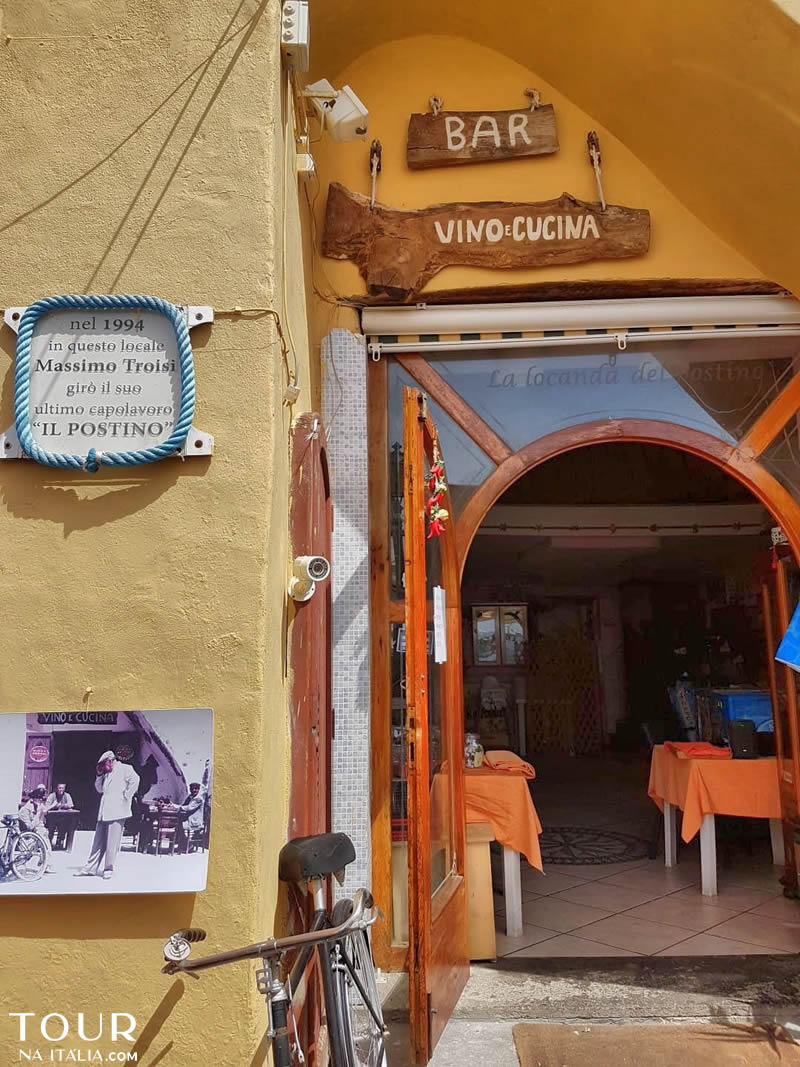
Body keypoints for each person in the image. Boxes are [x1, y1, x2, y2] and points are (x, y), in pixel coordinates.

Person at [74, 750, 139, 880]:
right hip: (104, 811)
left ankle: (108, 869)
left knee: (112, 843)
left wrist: (126, 797)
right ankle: (90, 868)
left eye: (103, 765)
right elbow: (99, 789)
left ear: (110, 761)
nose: (102, 768)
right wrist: (99, 776)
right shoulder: (107, 774)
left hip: (117, 811)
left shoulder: (125, 769)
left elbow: (135, 781)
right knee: (98, 841)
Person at [18, 785, 54, 873]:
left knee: (45, 841)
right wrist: (38, 813)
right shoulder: (25, 810)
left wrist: (43, 811)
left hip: (37, 832)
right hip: (27, 835)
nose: (40, 802)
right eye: (38, 800)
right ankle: (44, 864)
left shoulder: (37, 806)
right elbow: (29, 827)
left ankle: (45, 864)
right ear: (32, 800)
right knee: (43, 841)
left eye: (41, 800)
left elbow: (43, 816)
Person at [177, 783, 205, 852]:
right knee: (177, 825)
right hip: (189, 819)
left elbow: (189, 808)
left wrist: (178, 807)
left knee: (180, 826)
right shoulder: (190, 797)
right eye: (192, 789)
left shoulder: (198, 799)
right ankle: (184, 844)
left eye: (196, 789)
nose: (194, 790)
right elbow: (184, 805)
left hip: (195, 821)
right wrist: (179, 807)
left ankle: (188, 844)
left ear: (198, 790)